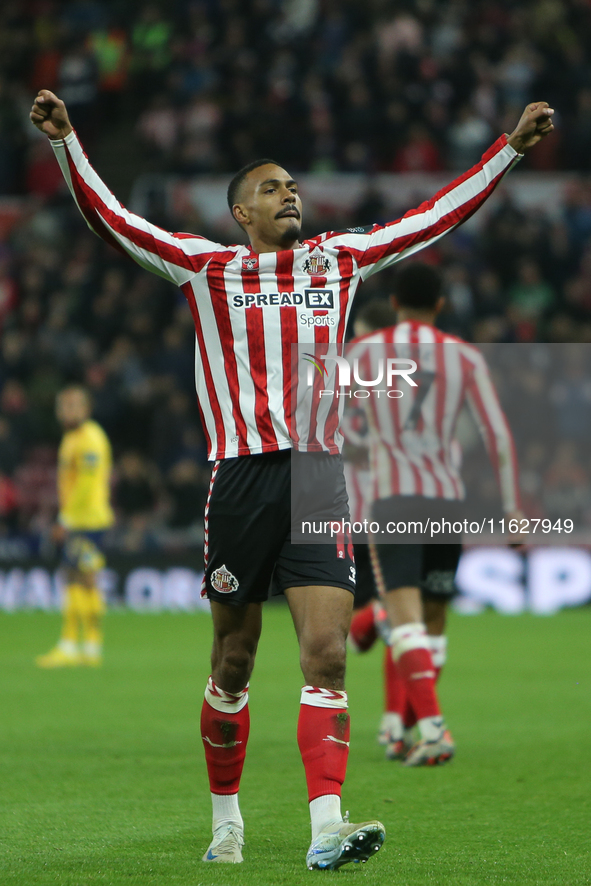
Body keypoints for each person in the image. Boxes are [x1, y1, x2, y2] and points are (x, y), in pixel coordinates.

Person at [29, 87, 553, 869]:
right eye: (271, 188)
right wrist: (67, 143)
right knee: (232, 661)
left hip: (318, 480)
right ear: (241, 212)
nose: (289, 195)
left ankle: (326, 827)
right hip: (239, 481)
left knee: (327, 653)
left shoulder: (338, 260)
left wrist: (507, 149)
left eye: (292, 187)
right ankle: (226, 822)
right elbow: (113, 221)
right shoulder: (204, 269)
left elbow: (433, 216)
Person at [347, 263, 523, 766]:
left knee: (404, 618)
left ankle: (432, 729)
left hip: (393, 499)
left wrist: (357, 449)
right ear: (441, 305)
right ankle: (406, 727)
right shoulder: (463, 357)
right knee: (435, 618)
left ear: (395, 302)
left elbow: (329, 420)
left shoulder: (365, 353)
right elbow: (497, 434)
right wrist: (511, 509)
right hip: (447, 500)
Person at [36, 385, 114, 668]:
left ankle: (79, 645)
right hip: (81, 519)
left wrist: (65, 519)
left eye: (74, 405)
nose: (68, 411)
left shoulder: (90, 438)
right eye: (64, 405)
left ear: (86, 408)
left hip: (86, 520)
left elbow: (86, 484)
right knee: (77, 578)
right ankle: (85, 646)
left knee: (83, 579)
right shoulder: (73, 438)